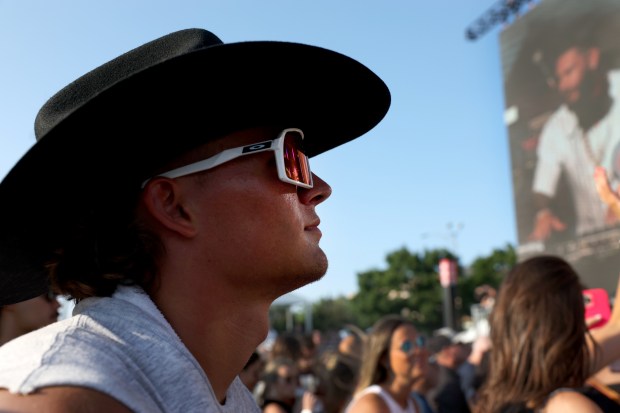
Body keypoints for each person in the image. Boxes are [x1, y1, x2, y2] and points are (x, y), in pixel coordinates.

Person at [0, 28, 390, 412]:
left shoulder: (222, 392)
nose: (319, 188)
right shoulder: (64, 397)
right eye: (290, 158)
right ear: (175, 206)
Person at [474, 255, 620, 413]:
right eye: (580, 305)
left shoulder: (501, 396)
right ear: (567, 322)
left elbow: (616, 330)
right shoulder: (567, 406)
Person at [529, 19, 620, 241]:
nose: (563, 86)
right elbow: (542, 188)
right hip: (595, 246)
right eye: (558, 79)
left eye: (569, 72)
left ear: (592, 58)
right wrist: (544, 212)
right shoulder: (555, 127)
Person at [345, 315, 427, 413]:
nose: (419, 351)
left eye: (420, 341)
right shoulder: (372, 405)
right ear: (384, 358)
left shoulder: (412, 404)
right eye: (407, 346)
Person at [425, 334, 471, 413]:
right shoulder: (445, 381)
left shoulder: (443, 375)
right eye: (458, 345)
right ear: (447, 351)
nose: (463, 348)